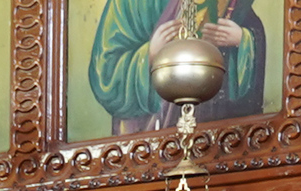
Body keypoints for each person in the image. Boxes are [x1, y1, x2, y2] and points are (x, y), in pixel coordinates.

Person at [86, 0, 265, 130]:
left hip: (216, 132)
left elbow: (247, 26)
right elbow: (105, 73)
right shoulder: (128, 4)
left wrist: (242, 39)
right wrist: (150, 53)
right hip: (148, 143)